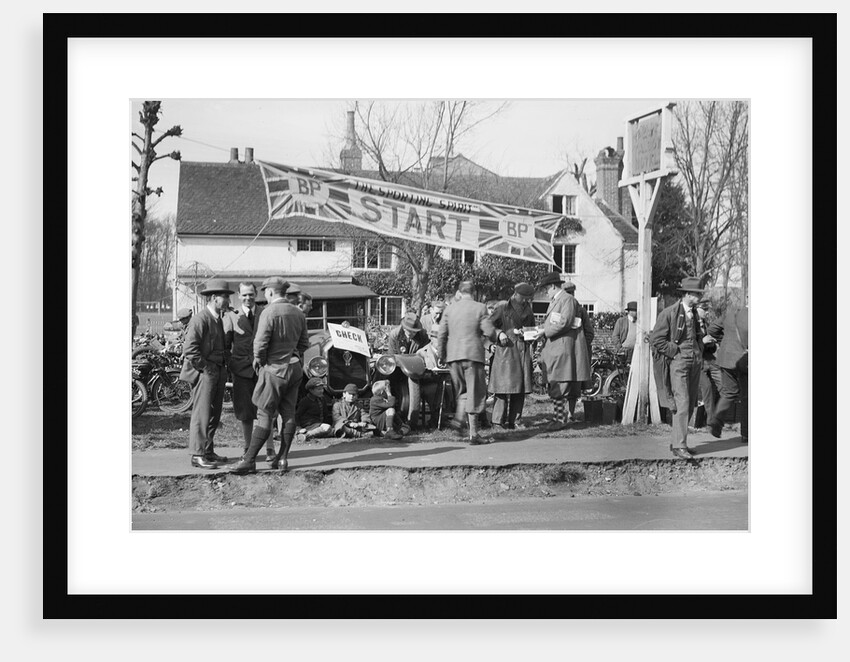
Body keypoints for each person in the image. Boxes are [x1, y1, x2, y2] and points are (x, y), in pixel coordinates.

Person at [232, 276, 310, 474]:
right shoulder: (298, 313)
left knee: (264, 414)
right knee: (288, 414)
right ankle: (282, 459)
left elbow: (259, 345)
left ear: (270, 292)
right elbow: (304, 345)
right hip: (294, 370)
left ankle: (249, 460)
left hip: (274, 369)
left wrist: (262, 362)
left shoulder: (268, 312)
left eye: (265, 292)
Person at [649, 277, 706, 459]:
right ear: (688, 295)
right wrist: (674, 352)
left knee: (690, 405)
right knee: (682, 403)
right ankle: (680, 445)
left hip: (695, 362)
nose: (699, 297)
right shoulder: (669, 313)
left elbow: (698, 336)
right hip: (679, 363)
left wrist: (699, 351)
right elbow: (656, 340)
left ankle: (679, 443)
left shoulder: (696, 314)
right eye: (697, 294)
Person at [180, 279, 233, 469]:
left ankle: (207, 450)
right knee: (202, 414)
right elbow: (190, 349)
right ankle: (197, 454)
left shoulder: (217, 318)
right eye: (224, 297)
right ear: (213, 298)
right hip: (205, 372)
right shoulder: (200, 319)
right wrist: (205, 367)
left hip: (217, 371)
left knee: (214, 413)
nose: (227, 300)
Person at [435, 280, 496, 444]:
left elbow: (441, 335)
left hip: (454, 356)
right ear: (473, 292)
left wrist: (441, 355)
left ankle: (459, 418)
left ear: (459, 292)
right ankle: (473, 433)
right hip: (473, 355)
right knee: (474, 393)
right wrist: (495, 338)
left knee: (462, 392)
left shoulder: (449, 309)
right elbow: (489, 330)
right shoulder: (480, 307)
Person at [223, 282, 275, 461]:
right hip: (242, 371)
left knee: (266, 410)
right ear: (238, 295)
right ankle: (247, 447)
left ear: (256, 295)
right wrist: (232, 364)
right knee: (245, 412)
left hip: (263, 370)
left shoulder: (266, 312)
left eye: (251, 294)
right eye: (244, 295)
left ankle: (270, 449)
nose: (248, 298)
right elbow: (226, 344)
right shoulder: (231, 316)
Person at [536, 274, 592, 431]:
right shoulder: (556, 301)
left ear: (553, 286)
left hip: (562, 349)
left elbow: (565, 322)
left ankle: (561, 419)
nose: (545, 293)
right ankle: (558, 417)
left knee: (560, 386)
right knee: (555, 385)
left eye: (546, 289)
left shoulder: (567, 300)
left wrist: (543, 331)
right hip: (556, 349)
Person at [488, 282, 536, 430]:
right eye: (524, 298)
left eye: (528, 298)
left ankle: (515, 421)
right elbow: (488, 326)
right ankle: (497, 421)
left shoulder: (528, 310)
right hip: (505, 352)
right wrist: (499, 333)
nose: (526, 301)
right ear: (516, 295)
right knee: (502, 389)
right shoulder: (502, 307)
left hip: (522, 351)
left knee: (519, 389)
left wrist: (527, 332)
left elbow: (533, 329)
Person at [706, 301, 748, 443]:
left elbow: (711, 330)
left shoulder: (731, 314)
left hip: (726, 358)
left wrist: (724, 341)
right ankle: (746, 434)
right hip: (744, 360)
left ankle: (716, 421)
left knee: (729, 393)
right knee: (747, 398)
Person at [386, 311, 431, 429]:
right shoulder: (394, 335)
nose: (411, 334)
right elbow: (392, 356)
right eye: (409, 331)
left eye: (414, 331)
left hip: (416, 369)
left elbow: (426, 349)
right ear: (403, 327)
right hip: (398, 369)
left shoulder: (422, 335)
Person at [294, 376, 333, 443]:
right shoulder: (305, 401)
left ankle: (313, 433)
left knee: (331, 430)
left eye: (322, 389)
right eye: (319, 389)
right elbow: (297, 415)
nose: (322, 391)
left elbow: (325, 413)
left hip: (318, 424)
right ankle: (306, 435)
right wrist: (298, 428)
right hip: (309, 425)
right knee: (327, 428)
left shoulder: (322, 399)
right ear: (311, 390)